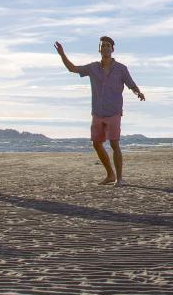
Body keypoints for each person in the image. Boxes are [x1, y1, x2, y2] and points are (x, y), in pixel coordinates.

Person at [54, 37, 145, 186]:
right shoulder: (93, 67)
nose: (106, 48)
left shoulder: (121, 68)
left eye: (108, 46)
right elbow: (73, 69)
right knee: (96, 143)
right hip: (97, 112)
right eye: (103, 46)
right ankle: (110, 174)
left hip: (113, 111)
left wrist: (138, 93)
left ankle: (119, 178)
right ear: (99, 49)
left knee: (114, 143)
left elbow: (131, 85)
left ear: (112, 49)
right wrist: (62, 55)